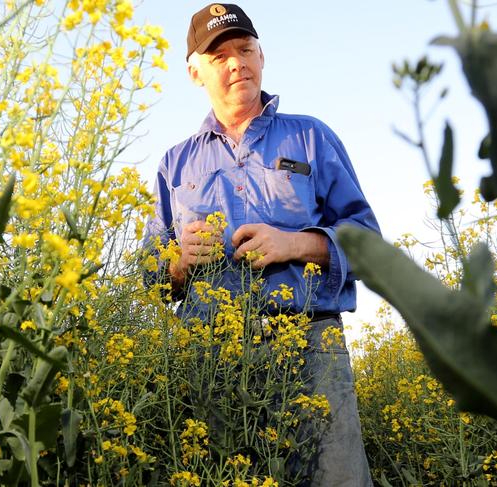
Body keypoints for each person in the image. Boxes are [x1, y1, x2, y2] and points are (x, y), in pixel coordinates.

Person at [145, 4, 379, 486]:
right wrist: (179, 264)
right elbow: (151, 281)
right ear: (195, 72)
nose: (237, 63)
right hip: (212, 354)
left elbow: (369, 245)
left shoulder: (311, 136)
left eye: (246, 49)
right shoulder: (174, 164)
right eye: (220, 56)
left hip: (310, 344)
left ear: (263, 56)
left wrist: (294, 243)